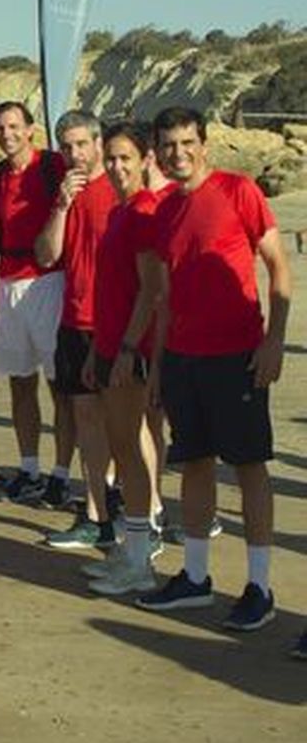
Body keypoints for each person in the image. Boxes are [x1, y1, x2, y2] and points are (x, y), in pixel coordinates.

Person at [135, 106, 291, 636]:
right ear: (157, 151)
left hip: (237, 354)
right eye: (168, 145)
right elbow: (163, 296)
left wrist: (275, 339)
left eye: (187, 143)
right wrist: (157, 367)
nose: (178, 154)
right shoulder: (163, 212)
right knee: (195, 465)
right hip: (182, 357)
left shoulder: (238, 189)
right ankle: (196, 578)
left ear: (204, 143)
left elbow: (278, 268)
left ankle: (260, 588)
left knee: (249, 468)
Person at [80, 122, 168, 595]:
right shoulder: (120, 211)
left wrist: (129, 350)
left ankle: (140, 557)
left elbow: (152, 291)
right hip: (111, 344)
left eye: (125, 158)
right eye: (110, 158)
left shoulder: (144, 212)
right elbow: (112, 292)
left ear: (146, 159)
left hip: (132, 351)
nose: (116, 167)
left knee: (129, 449)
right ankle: (131, 548)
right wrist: (99, 348)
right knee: (121, 446)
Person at [33, 111, 117, 550]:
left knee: (129, 423)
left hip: (114, 324)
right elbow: (46, 254)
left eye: (82, 144)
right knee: (85, 421)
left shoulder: (118, 190)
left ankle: (145, 514)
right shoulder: (67, 193)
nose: (75, 154)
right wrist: (61, 205)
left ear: (99, 143)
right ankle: (96, 514)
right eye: (66, 147)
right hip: (74, 319)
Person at [0, 101, 75, 505]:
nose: (7, 134)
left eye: (14, 126)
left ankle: (61, 474)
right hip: (10, 286)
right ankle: (29, 468)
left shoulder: (53, 166)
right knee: (21, 384)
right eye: (0, 128)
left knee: (61, 388)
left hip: (50, 282)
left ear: (30, 129)